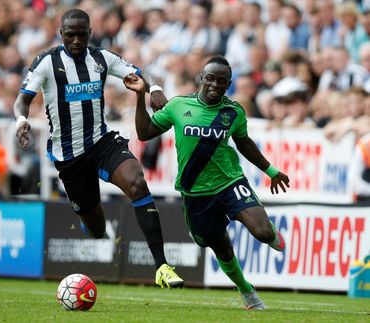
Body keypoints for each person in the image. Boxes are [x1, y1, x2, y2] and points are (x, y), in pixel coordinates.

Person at [13, 8, 183, 288]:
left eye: (82, 35)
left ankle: (162, 267)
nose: (77, 41)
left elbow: (140, 74)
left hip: (102, 142)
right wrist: (21, 120)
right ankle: (89, 219)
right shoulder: (46, 62)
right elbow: (22, 100)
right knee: (97, 229)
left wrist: (153, 90)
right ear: (61, 35)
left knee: (137, 184)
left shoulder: (102, 58)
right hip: (69, 156)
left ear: (90, 33)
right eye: (71, 35)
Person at [124, 55, 290, 310]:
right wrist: (139, 98)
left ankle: (270, 232)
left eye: (221, 81)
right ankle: (247, 291)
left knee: (263, 232)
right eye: (210, 78)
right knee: (219, 247)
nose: (214, 84)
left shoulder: (233, 111)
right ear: (201, 78)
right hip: (195, 192)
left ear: (228, 84)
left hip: (230, 183)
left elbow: (244, 143)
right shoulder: (179, 105)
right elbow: (145, 133)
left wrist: (271, 170)